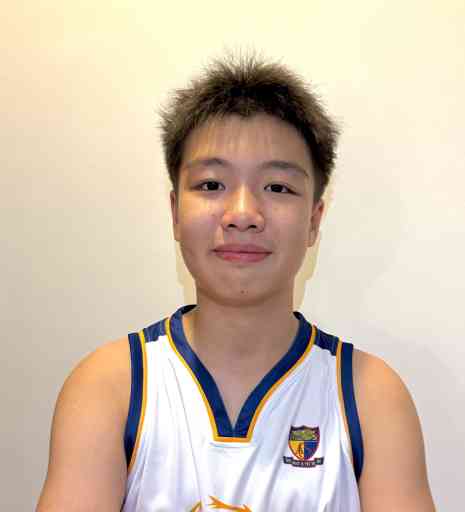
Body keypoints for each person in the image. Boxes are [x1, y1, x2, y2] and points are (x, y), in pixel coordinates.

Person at [37, 50, 436, 511]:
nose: (243, 214)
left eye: (278, 187)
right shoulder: (111, 387)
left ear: (314, 220)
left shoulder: (370, 397)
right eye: (211, 185)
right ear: (175, 213)